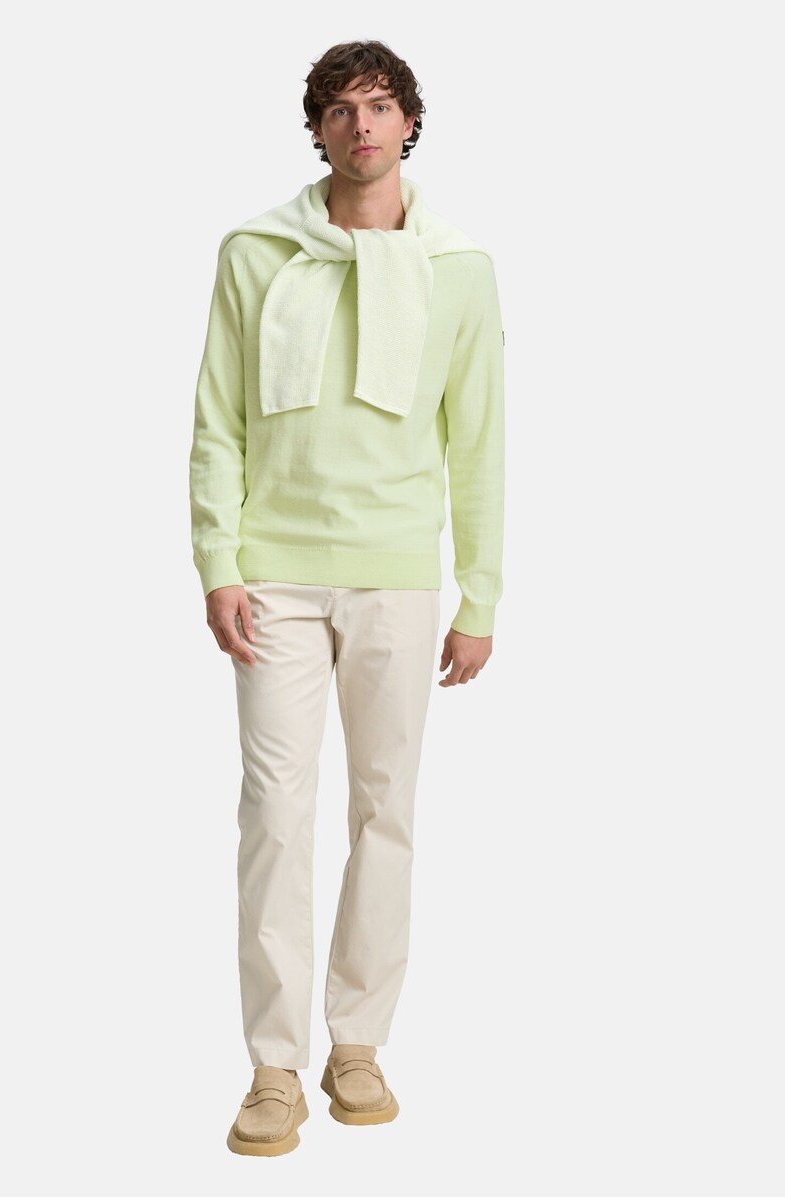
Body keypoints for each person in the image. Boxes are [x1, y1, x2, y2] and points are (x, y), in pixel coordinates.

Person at [189, 39, 505, 1156]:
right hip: (272, 574)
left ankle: (358, 1043)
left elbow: (480, 439)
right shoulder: (256, 254)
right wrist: (218, 563)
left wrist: (480, 594)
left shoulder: (459, 268)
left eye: (378, 106)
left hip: (396, 577)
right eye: (339, 109)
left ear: (409, 122)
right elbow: (218, 419)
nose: (360, 126)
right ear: (317, 129)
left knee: (386, 813)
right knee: (274, 819)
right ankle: (274, 1065)